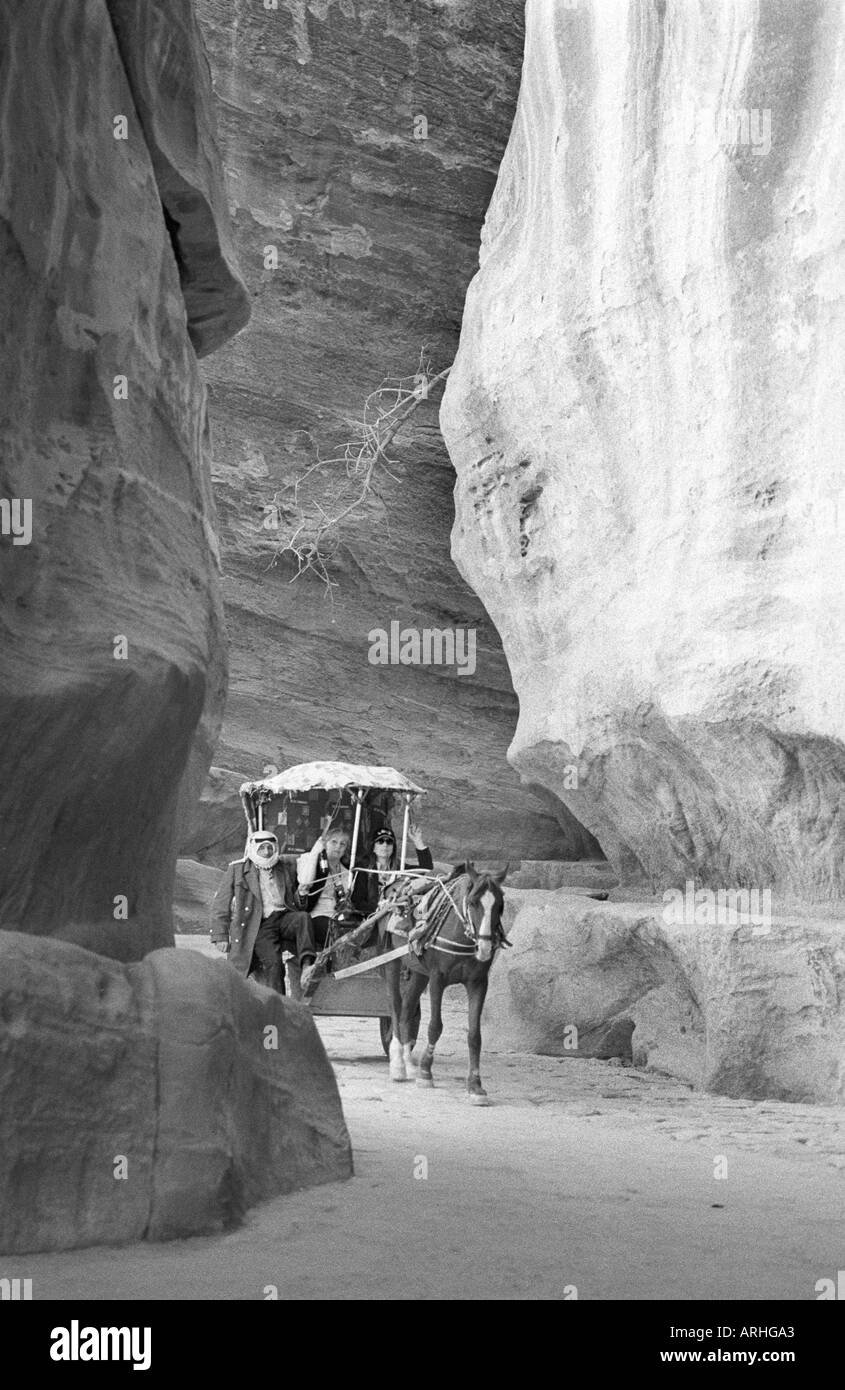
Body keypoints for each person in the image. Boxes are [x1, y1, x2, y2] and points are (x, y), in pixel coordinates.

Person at [209, 829, 317, 993]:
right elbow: (220, 903)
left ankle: (307, 965)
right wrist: (220, 936)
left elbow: (296, 902)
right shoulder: (237, 869)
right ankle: (278, 1005)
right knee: (273, 963)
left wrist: (302, 893)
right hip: (258, 924)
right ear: (253, 848)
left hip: (284, 917)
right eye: (262, 848)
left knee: (303, 917)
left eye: (270, 848)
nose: (267, 852)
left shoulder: (283, 867)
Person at [359, 817, 434, 916]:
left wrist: (418, 841)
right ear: (373, 847)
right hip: (372, 917)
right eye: (380, 841)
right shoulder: (364, 869)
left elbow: (426, 869)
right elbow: (358, 901)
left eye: (389, 842)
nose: (385, 845)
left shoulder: (400, 867)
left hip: (399, 915)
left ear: (393, 848)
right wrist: (379, 909)